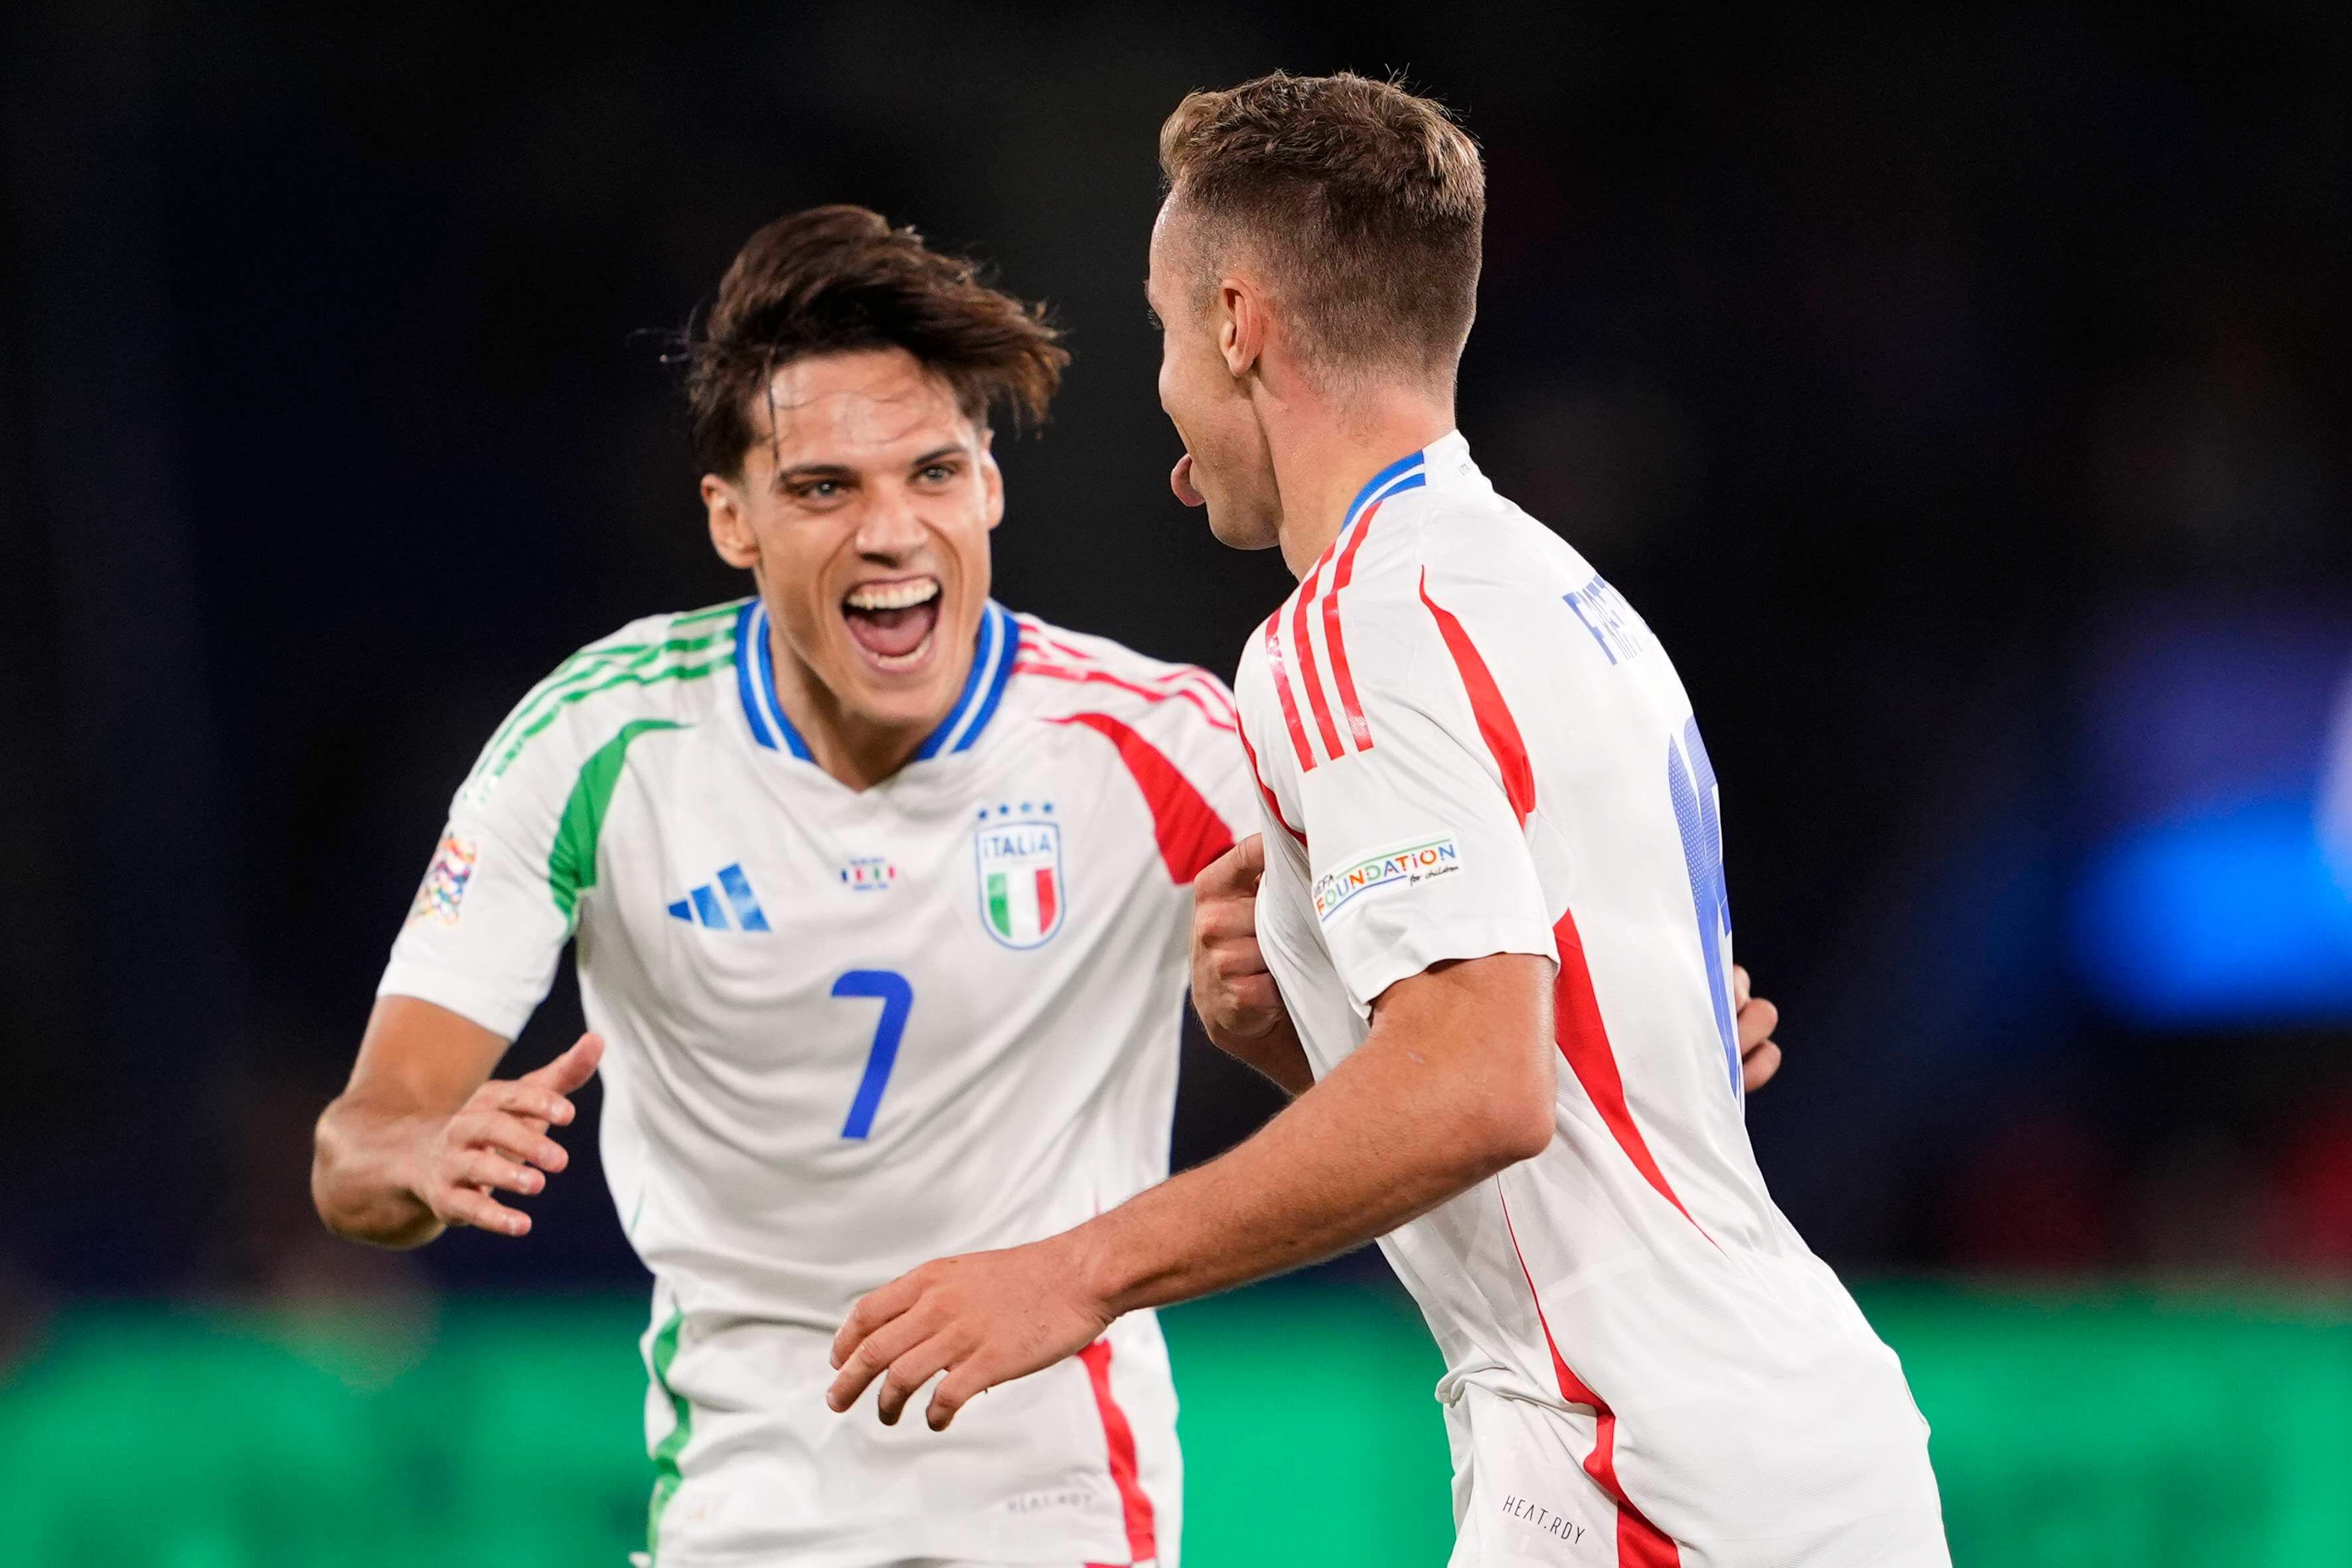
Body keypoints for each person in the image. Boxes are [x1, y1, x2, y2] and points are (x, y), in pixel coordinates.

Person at [826, 74, 1944, 1568]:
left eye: (1162, 330)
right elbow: (1575, 1090)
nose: (1162, 386)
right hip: (1773, 1434)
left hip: (1636, 1464)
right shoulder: (1556, 595)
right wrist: (1301, 1030)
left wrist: (1077, 1273)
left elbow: (1483, 1085)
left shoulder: (1347, 630)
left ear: (1235, 323)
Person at [311, 204, 1259, 1568]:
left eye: (932, 472)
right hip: (740, 1508)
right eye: (823, 488)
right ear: (731, 519)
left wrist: (1263, 1033)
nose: (890, 531)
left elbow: (1408, 1071)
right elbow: (359, 1146)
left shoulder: (1157, 741)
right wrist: (415, 1153)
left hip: (1057, 1505)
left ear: (988, 484)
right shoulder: (597, 744)